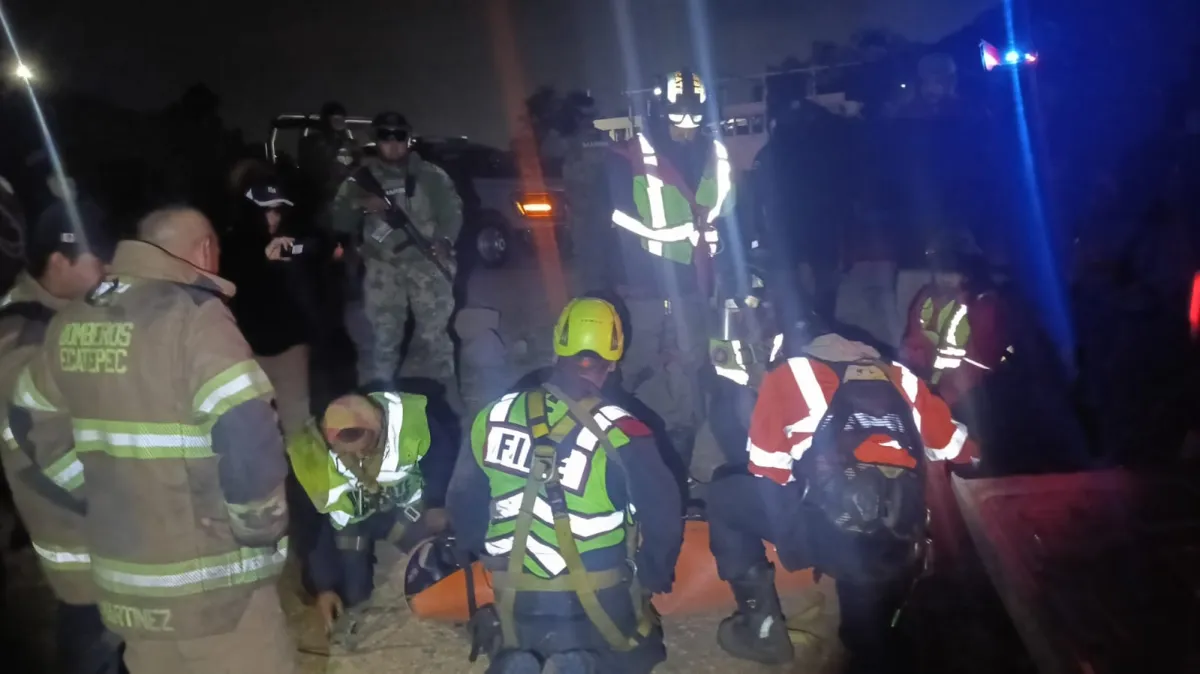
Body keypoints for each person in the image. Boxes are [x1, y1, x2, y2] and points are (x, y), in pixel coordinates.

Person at [12, 206, 296, 673]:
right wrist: (258, 528)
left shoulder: (73, 321)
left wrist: (92, 492)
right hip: (213, 591)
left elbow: (27, 418)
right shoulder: (195, 318)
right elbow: (246, 429)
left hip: (128, 587)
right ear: (205, 250)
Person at [706, 312, 974, 672]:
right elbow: (962, 450)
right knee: (865, 639)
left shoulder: (790, 374)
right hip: (899, 538)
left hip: (829, 534)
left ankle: (763, 630)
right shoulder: (903, 378)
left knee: (725, 497)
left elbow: (767, 468)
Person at [448, 297, 683, 674]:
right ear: (614, 358)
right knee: (643, 650)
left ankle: (522, 662)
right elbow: (665, 516)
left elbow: (463, 506)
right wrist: (653, 574)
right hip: (602, 604)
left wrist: (475, 551)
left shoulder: (493, 415)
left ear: (558, 346)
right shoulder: (625, 430)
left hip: (516, 604)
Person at [0, 208, 120, 674]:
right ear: (59, 261)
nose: (106, 271)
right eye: (97, 260)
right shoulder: (22, 335)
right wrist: (117, 498)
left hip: (99, 528)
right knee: (95, 637)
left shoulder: (66, 315)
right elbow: (39, 446)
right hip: (80, 536)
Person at [606, 69, 736, 470]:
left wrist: (728, 267)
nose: (688, 126)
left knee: (691, 364)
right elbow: (616, 222)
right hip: (646, 281)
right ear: (661, 113)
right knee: (629, 362)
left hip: (697, 280)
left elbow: (730, 214)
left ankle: (681, 446)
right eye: (679, 117)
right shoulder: (630, 157)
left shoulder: (716, 154)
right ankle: (609, 439)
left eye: (695, 117)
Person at [286, 390, 454, 646]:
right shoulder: (311, 458)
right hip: (351, 525)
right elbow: (311, 526)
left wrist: (437, 504)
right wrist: (324, 585)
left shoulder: (411, 424)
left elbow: (442, 461)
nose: (358, 458)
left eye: (364, 448)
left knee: (440, 565)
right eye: (345, 452)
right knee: (352, 595)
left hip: (404, 513)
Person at [330, 111, 463, 400]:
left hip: (425, 264)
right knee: (384, 340)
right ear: (376, 140)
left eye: (399, 136)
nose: (393, 143)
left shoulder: (430, 175)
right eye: (385, 137)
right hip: (382, 269)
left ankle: (447, 398)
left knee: (435, 337)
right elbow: (339, 220)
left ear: (408, 138)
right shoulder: (360, 180)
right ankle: (383, 401)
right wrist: (361, 204)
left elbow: (452, 213)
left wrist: (443, 241)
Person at [223, 181, 340, 435]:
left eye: (278, 210)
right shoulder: (230, 246)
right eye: (267, 210)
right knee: (256, 427)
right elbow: (232, 284)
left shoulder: (290, 238)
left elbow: (322, 252)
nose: (273, 217)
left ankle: (304, 474)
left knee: (299, 423)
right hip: (248, 352)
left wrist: (297, 259)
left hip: (291, 350)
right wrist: (262, 262)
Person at [900, 235, 1006, 408]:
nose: (944, 276)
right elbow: (913, 342)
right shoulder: (926, 298)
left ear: (969, 271)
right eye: (940, 268)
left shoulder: (983, 305)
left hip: (971, 398)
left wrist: (949, 395)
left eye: (952, 269)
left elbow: (983, 361)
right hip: (929, 389)